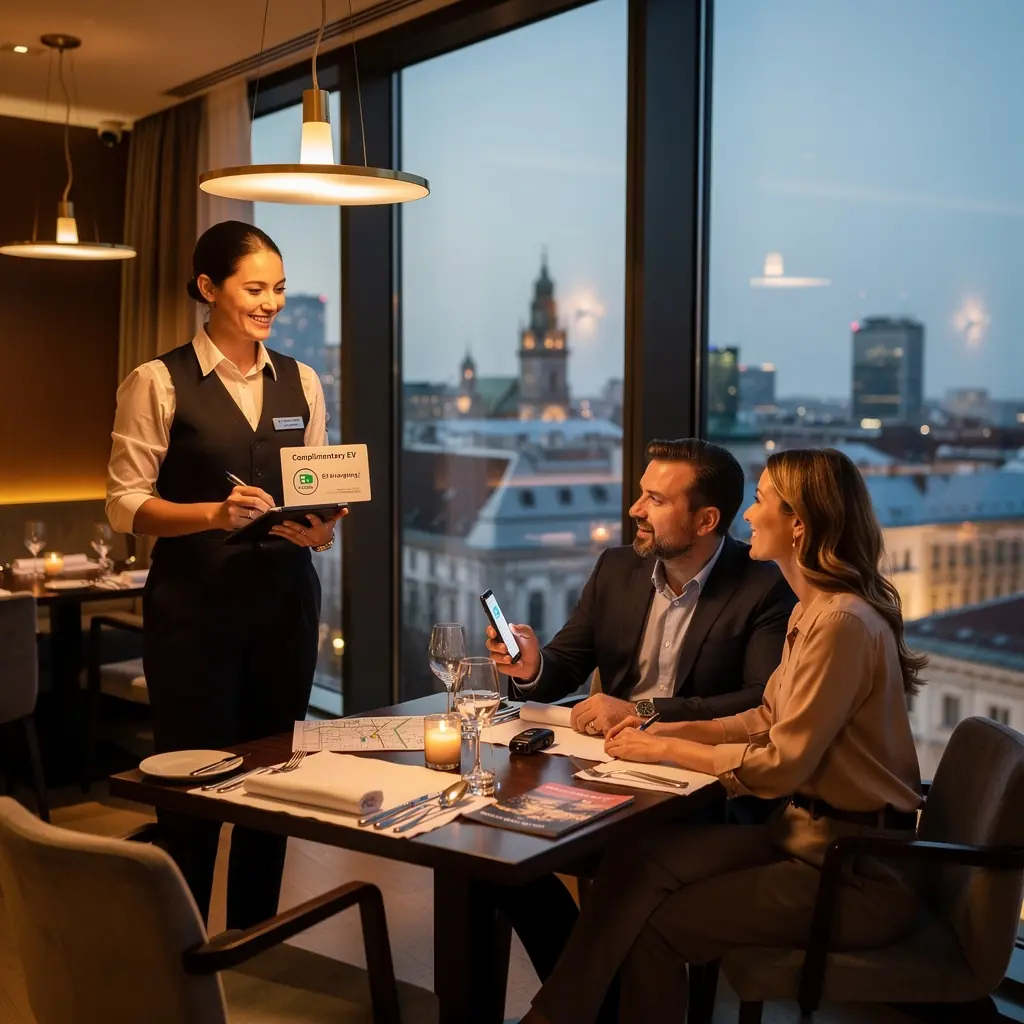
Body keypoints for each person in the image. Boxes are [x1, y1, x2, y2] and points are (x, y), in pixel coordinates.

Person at [520, 447, 926, 1024]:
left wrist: (660, 744)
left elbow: (780, 763)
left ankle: (556, 1017)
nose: (749, 515)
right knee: (638, 858)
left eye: (761, 502)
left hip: (851, 870)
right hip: (804, 839)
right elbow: (762, 718)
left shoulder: (839, 623)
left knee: (655, 926)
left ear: (799, 524)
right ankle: (559, 1015)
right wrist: (657, 727)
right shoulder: (815, 611)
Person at [105, 220, 344, 929]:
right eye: (254, 287)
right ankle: (176, 954)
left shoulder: (301, 379)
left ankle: (252, 940)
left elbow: (315, 481)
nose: (269, 302)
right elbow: (123, 504)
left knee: (274, 789)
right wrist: (213, 513)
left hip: (286, 607)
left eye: (278, 288)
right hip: (195, 612)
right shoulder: (157, 381)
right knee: (192, 790)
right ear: (208, 288)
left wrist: (322, 527)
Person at [487, 438, 796, 735]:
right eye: (641, 494)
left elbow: (758, 700)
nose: (636, 509)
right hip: (610, 754)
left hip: (699, 762)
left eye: (656, 500)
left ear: (705, 521)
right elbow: (566, 664)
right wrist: (531, 665)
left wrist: (642, 711)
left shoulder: (764, 585)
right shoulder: (616, 568)